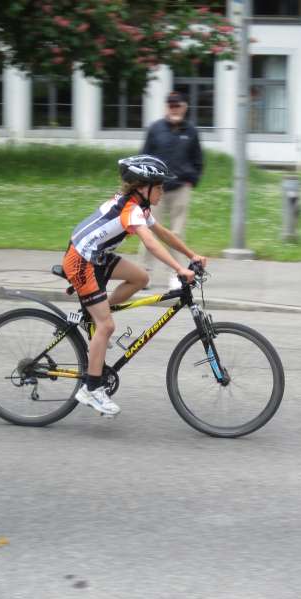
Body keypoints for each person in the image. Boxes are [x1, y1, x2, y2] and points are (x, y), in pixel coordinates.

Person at [62, 155, 207, 416]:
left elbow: (164, 235)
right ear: (143, 187)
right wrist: (179, 269)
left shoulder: (139, 208)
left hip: (97, 257)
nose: (163, 191)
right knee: (107, 325)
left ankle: (95, 317)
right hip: (81, 261)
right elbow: (151, 244)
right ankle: (91, 389)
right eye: (159, 186)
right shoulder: (131, 210)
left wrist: (192, 255)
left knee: (141, 278)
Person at [139, 91, 203, 290]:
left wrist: (191, 180)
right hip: (154, 189)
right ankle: (144, 274)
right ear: (166, 107)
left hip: (181, 188)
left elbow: (198, 159)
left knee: (176, 232)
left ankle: (176, 274)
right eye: (171, 105)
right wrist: (144, 184)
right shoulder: (155, 129)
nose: (174, 109)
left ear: (184, 107)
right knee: (148, 230)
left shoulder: (191, 131)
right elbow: (144, 156)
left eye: (178, 105)